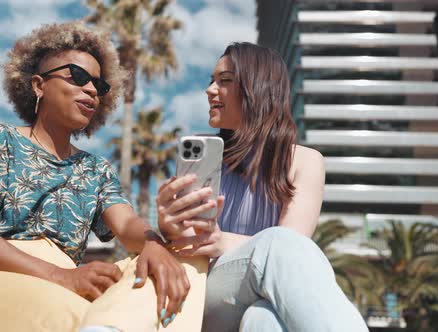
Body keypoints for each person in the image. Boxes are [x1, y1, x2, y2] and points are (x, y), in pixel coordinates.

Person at [0, 21, 208, 332]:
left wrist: (154, 245)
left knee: (182, 260)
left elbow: (128, 224)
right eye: (78, 77)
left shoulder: (96, 169)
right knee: (80, 316)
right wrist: (61, 276)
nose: (91, 89)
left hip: (63, 287)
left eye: (99, 86)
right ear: (38, 85)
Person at [156, 42, 369, 332]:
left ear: (258, 88)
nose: (209, 90)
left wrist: (223, 241)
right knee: (279, 248)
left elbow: (293, 244)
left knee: (263, 318)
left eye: (224, 81)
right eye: (211, 81)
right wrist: (169, 226)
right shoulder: (206, 156)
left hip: (263, 294)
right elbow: (278, 248)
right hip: (206, 291)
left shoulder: (305, 161)